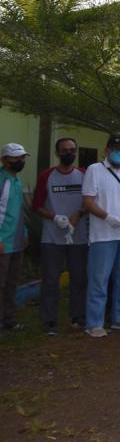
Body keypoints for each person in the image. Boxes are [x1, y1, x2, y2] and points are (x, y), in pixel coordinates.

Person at [81, 136, 120, 338]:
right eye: (116, 148)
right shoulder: (94, 170)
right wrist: (107, 217)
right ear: (107, 149)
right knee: (99, 279)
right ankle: (94, 322)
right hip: (103, 234)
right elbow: (88, 202)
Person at [33, 137, 88, 335]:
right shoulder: (46, 176)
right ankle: (49, 321)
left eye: (72, 150)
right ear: (57, 153)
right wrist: (55, 217)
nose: (69, 153)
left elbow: (90, 201)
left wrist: (79, 213)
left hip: (78, 236)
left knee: (79, 278)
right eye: (64, 150)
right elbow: (36, 205)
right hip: (51, 237)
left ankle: (78, 316)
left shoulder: (84, 175)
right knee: (50, 280)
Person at [0, 143, 31, 334]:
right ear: (4, 159)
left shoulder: (17, 180)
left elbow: (19, 211)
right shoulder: (2, 180)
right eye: (15, 158)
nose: (20, 161)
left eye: (22, 157)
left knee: (11, 283)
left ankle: (9, 320)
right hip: (3, 243)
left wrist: (25, 233)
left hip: (16, 241)